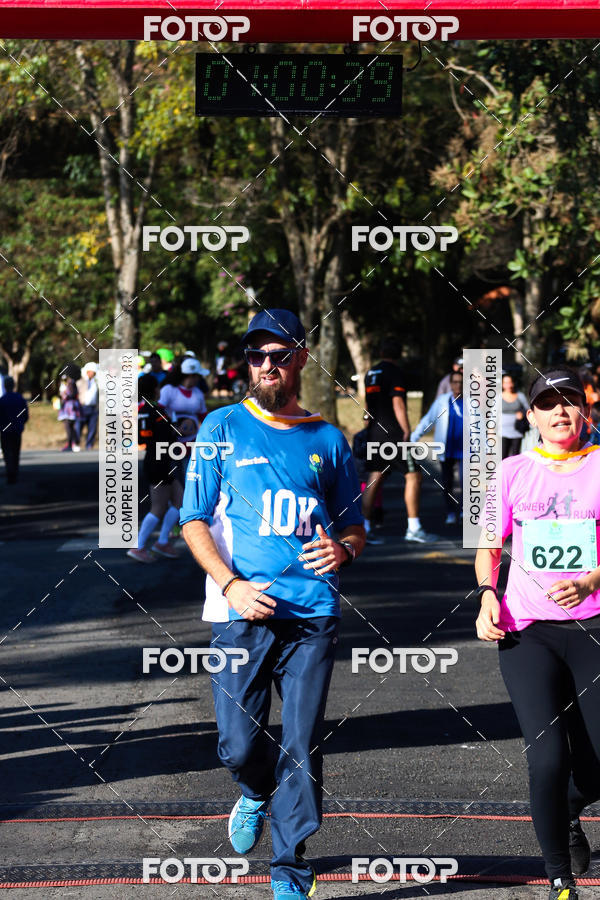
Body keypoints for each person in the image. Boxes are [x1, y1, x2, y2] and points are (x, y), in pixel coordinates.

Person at [180, 308, 365, 900]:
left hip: (312, 614)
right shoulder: (220, 427)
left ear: (300, 359)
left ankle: (290, 868)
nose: (265, 366)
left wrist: (345, 550)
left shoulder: (327, 438)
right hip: (243, 611)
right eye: (256, 356)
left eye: (277, 355)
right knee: (237, 742)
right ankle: (254, 790)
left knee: (302, 739)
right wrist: (231, 584)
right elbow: (192, 520)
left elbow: (354, 528)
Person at [475, 367, 600, 900]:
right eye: (548, 404)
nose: (559, 413)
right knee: (546, 757)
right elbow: (488, 546)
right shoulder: (507, 471)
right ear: (531, 416)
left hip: (594, 625)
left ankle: (568, 805)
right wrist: (486, 595)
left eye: (569, 402)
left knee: (597, 764)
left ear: (585, 410)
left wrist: (592, 578)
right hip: (527, 632)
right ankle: (559, 875)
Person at [363, 338, 435, 543]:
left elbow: (368, 405)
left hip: (374, 432)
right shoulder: (395, 372)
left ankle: (365, 528)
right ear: (399, 355)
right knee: (413, 476)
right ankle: (413, 527)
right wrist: (406, 429)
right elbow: (398, 403)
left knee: (374, 478)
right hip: (392, 433)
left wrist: (367, 425)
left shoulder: (371, 373)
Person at [128, 374, 182, 563]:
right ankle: (139, 545)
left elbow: (142, 439)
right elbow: (168, 436)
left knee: (179, 500)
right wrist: (177, 430)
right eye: (158, 387)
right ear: (153, 389)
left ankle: (163, 541)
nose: (160, 390)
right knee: (158, 507)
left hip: (155, 458)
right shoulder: (157, 411)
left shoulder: (143, 409)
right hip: (158, 460)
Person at [411, 370, 463, 524]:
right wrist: (414, 437)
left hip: (466, 450)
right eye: (455, 382)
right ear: (450, 384)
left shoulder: (471, 402)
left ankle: (464, 511)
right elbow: (428, 420)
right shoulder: (442, 401)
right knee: (447, 482)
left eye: (461, 382)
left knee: (466, 482)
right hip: (446, 448)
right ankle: (450, 512)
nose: (458, 385)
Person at [0, 376, 28, 483]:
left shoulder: (2, 400)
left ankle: (9, 472)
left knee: (7, 452)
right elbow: (25, 415)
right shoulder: (20, 398)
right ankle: (15, 472)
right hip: (17, 430)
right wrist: (20, 424)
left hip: (5, 430)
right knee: (16, 452)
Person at [501, 373, 529, 458]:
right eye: (505, 383)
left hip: (517, 431)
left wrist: (522, 414)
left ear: (513, 383)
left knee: (515, 456)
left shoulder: (520, 396)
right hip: (502, 432)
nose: (508, 385)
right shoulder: (498, 397)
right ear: (502, 384)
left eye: (510, 382)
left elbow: (528, 410)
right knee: (503, 456)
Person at [75, 362, 99, 450]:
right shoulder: (81, 380)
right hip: (82, 407)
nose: (93, 373)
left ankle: (89, 445)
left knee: (92, 428)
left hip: (93, 407)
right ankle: (76, 443)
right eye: (92, 371)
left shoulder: (96, 381)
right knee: (79, 426)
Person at [57, 375, 81, 452]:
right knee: (68, 425)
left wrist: (66, 394)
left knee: (69, 425)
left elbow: (73, 394)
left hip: (71, 407)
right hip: (66, 407)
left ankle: (72, 443)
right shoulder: (64, 383)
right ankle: (72, 443)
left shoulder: (71, 382)